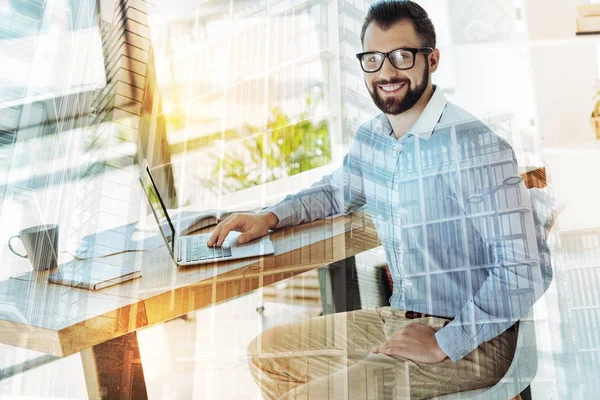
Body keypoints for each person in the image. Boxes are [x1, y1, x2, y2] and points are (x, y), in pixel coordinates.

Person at [208, 1, 551, 398]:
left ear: (432, 59)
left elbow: (526, 269)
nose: (387, 72)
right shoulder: (374, 137)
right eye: (374, 58)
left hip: (474, 339)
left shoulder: (473, 147)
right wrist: (269, 217)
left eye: (401, 56)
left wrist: (444, 342)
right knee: (266, 354)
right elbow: (337, 190)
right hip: (402, 316)